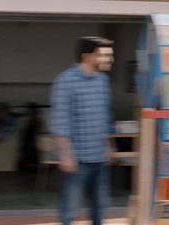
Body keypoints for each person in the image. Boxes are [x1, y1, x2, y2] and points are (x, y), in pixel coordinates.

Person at [49, 37, 114, 225]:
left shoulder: (103, 81)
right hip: (77, 159)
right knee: (70, 209)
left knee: (100, 208)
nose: (110, 59)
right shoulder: (65, 81)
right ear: (87, 56)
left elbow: (104, 115)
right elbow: (60, 120)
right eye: (104, 55)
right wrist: (66, 154)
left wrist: (109, 145)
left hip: (99, 157)